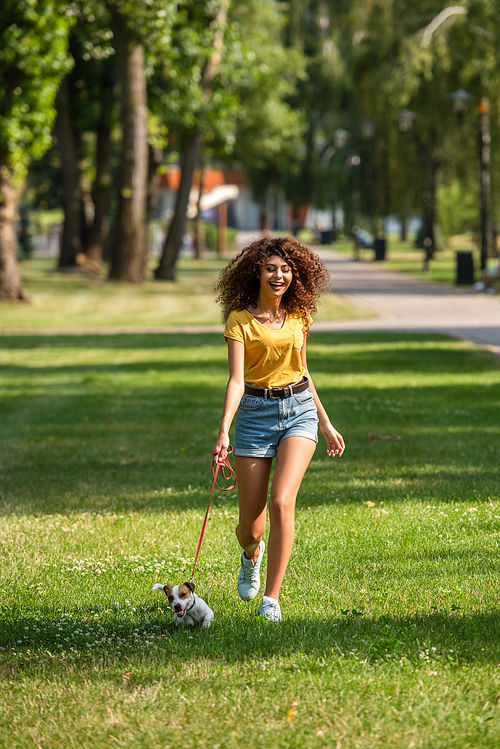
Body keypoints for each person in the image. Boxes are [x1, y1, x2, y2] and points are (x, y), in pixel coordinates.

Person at [212, 234, 345, 622]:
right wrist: (224, 430)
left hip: (299, 409)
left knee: (282, 502)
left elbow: (303, 372)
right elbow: (236, 381)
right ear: (256, 272)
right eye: (271, 268)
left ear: (294, 275)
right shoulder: (240, 321)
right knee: (250, 528)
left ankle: (272, 599)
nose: (278, 276)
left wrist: (324, 421)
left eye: (286, 270)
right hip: (255, 415)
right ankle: (251, 556)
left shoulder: (299, 316)